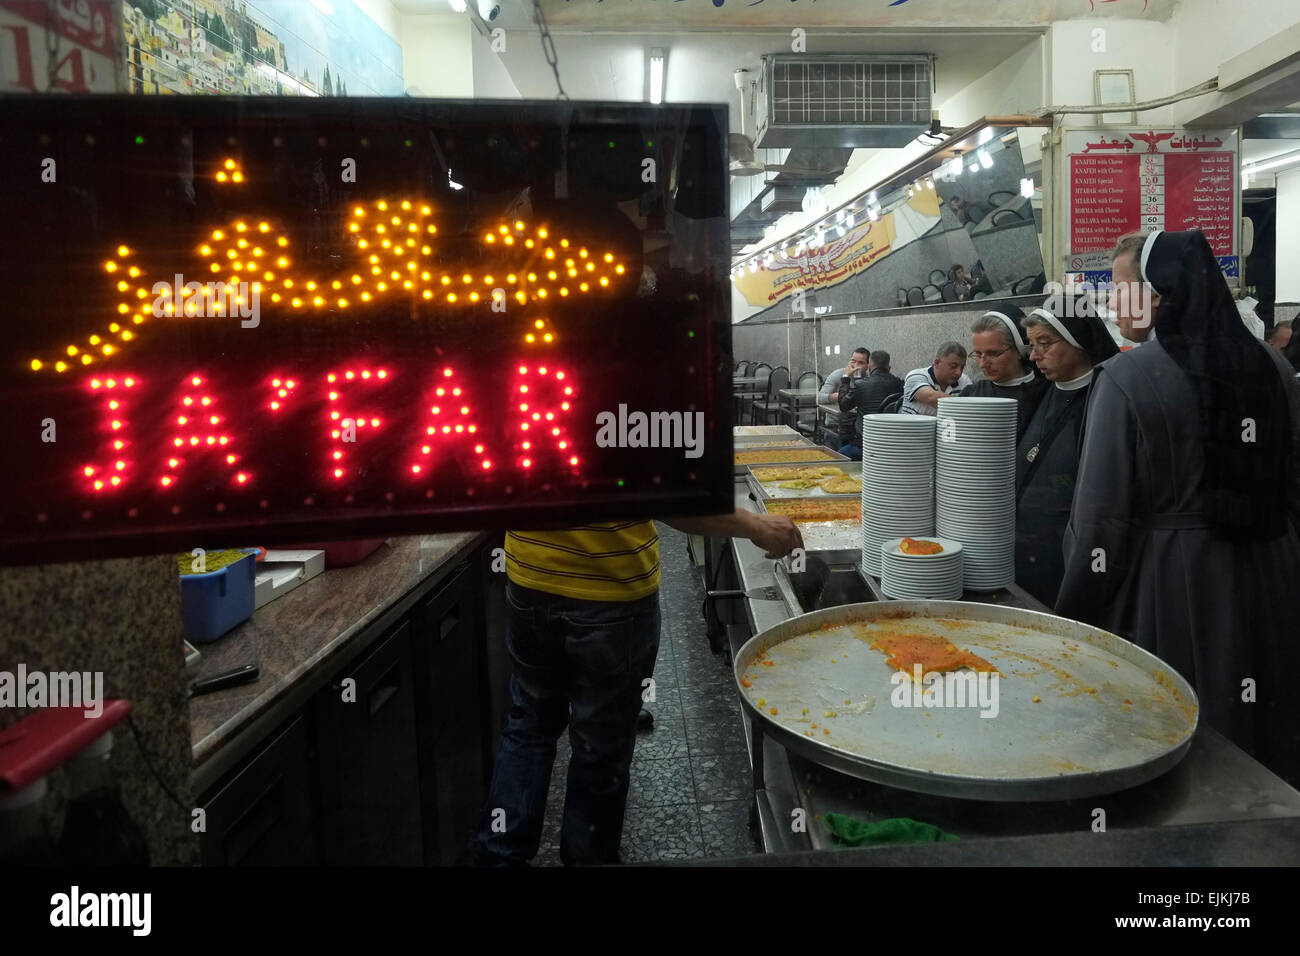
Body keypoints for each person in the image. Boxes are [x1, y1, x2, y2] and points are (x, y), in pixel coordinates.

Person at [1056, 230, 1300, 786]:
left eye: (1121, 290)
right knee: (1264, 732)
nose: (1113, 305)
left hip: (1173, 579)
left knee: (1179, 730)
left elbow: (1101, 522)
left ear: (1160, 295)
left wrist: (1072, 616)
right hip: (1273, 575)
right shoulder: (1275, 368)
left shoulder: (1127, 378)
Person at [470, 510, 803, 866]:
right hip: (608, 593)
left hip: (530, 583)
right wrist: (755, 525)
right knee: (599, 746)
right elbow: (672, 499)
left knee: (530, 726)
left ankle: (497, 857)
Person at [1014, 299, 1118, 607]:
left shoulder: (1107, 399)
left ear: (1079, 340)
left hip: (1072, 555)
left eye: (1044, 343)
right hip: (1023, 551)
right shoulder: (1037, 395)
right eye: (1032, 345)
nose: (1034, 356)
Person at [961, 305, 1049, 439]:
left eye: (993, 353)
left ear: (1019, 350)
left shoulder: (1046, 394)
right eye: (978, 354)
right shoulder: (970, 395)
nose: (983, 363)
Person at [836, 350, 904, 459]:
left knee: (840, 455)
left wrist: (845, 378)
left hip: (865, 443)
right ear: (889, 368)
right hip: (892, 444)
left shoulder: (861, 384)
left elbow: (843, 406)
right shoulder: (900, 384)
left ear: (869, 367)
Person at [900, 342, 971, 416]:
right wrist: (965, 405)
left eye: (962, 367)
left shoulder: (964, 381)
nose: (958, 372)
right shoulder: (915, 376)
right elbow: (931, 397)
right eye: (953, 366)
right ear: (937, 363)